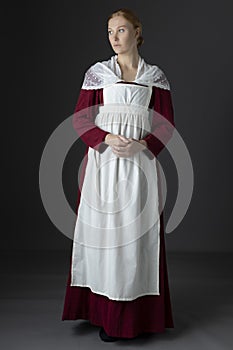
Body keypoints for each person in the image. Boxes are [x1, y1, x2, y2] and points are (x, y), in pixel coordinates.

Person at [62, 8, 175, 342]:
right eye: (109, 31)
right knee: (103, 239)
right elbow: (81, 120)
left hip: (140, 170)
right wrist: (106, 138)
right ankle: (102, 313)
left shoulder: (154, 77)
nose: (114, 37)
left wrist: (143, 144)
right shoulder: (98, 74)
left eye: (121, 30)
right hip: (103, 168)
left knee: (136, 241)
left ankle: (133, 318)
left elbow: (166, 125)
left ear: (137, 32)